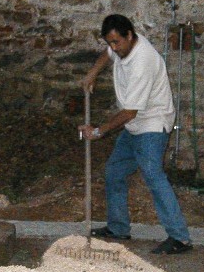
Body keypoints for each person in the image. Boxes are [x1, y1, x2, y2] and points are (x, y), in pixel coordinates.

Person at [79, 14, 192, 255]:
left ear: (130, 35)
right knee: (114, 171)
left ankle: (180, 238)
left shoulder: (143, 61)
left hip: (152, 123)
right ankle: (118, 228)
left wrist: (99, 131)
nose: (113, 47)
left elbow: (129, 112)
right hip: (135, 125)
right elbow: (106, 56)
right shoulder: (121, 47)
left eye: (116, 42)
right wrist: (93, 73)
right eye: (109, 42)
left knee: (152, 174)